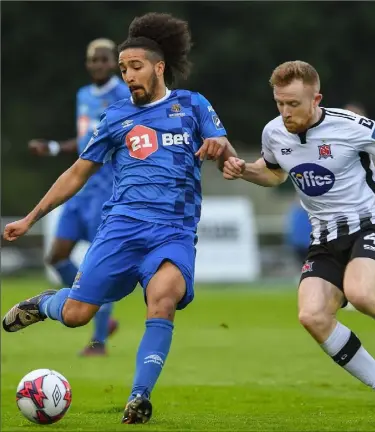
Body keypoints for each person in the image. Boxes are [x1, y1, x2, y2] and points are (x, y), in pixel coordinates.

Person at [3, 12, 236, 424]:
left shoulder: (193, 105)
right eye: (124, 68)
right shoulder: (115, 117)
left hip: (174, 232)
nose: (128, 75)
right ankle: (45, 304)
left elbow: (226, 153)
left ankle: (139, 397)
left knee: (162, 300)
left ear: (158, 67)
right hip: (122, 228)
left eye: (135, 67)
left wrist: (220, 144)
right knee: (76, 316)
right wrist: (32, 218)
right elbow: (78, 172)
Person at [223, 61, 375, 427]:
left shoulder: (351, 127)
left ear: (316, 99)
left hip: (370, 226)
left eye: (294, 104)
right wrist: (244, 170)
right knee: (312, 316)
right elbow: (272, 174)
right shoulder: (274, 133)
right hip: (324, 238)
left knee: (361, 295)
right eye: (279, 103)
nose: (285, 112)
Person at [28, 38, 131, 356]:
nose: (98, 64)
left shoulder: (125, 96)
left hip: (107, 191)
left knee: (97, 266)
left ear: (114, 62)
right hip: (79, 192)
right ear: (87, 64)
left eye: (103, 59)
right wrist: (56, 147)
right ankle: (95, 306)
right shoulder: (83, 95)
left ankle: (98, 342)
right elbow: (88, 141)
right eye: (92, 60)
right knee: (56, 257)